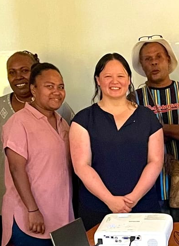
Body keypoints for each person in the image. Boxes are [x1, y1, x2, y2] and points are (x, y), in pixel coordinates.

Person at [0, 50, 76, 246]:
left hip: (60, 217)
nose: (56, 91)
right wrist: (33, 210)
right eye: (49, 86)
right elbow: (16, 169)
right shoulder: (19, 122)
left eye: (60, 86)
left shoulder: (63, 123)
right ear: (33, 89)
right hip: (32, 218)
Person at [70, 53, 165, 229]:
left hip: (142, 207)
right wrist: (110, 200)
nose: (115, 82)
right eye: (108, 76)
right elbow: (81, 166)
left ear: (128, 79)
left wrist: (133, 198)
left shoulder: (148, 117)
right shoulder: (82, 120)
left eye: (120, 76)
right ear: (98, 80)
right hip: (97, 209)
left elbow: (156, 161)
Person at [132, 36, 179, 222]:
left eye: (158, 56)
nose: (154, 62)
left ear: (168, 59)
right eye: (148, 59)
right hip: (151, 187)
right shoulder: (133, 98)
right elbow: (134, 141)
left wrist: (158, 131)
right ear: (141, 65)